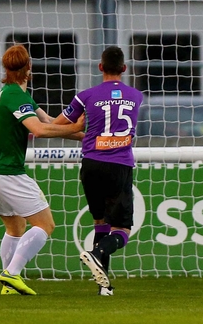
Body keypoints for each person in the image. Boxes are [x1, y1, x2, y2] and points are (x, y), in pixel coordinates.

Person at [0, 44, 85, 296]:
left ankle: (9, 286)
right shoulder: (15, 96)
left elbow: (49, 121)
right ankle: (12, 273)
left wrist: (85, 135)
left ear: (6, 68)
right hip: (8, 173)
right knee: (46, 224)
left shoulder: (11, 92)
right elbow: (38, 130)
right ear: (29, 67)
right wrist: (75, 128)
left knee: (14, 228)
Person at [54, 46, 143, 296]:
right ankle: (96, 253)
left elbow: (59, 125)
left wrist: (38, 122)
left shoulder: (86, 96)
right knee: (123, 230)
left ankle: (104, 287)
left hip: (91, 164)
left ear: (100, 67)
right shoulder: (136, 96)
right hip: (120, 164)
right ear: (124, 69)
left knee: (100, 222)